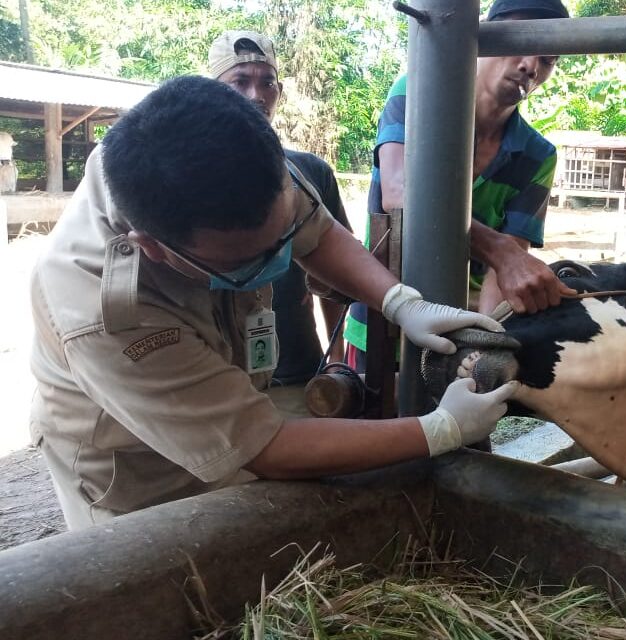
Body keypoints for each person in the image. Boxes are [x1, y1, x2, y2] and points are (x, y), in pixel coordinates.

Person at [29, 76, 517, 530]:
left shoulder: (243, 166)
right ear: (155, 248)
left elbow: (316, 232)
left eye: (281, 238)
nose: (280, 260)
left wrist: (400, 301)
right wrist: (439, 430)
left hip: (226, 400)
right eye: (247, 262)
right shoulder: (107, 314)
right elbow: (264, 445)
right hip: (134, 468)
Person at [343, 0, 577, 372]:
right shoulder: (414, 94)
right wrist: (499, 248)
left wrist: (486, 345)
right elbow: (400, 195)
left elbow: (503, 276)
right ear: (484, 34)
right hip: (382, 315)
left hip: (460, 333)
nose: (531, 67)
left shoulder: (538, 155)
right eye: (522, 43)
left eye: (548, 59)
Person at [209, 31, 349, 407]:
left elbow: (337, 273)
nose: (256, 95)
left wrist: (335, 359)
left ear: (279, 91)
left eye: (266, 82)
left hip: (300, 369)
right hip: (220, 377)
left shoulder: (310, 173)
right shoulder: (193, 175)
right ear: (213, 91)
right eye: (240, 81)